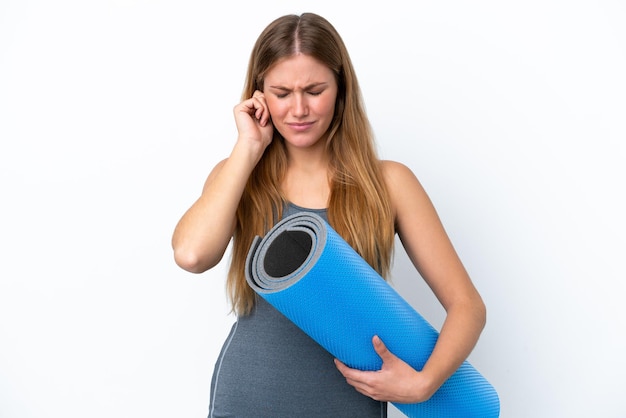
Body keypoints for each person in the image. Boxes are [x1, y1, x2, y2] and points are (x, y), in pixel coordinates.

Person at [172, 12, 486, 418]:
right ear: (258, 96)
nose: (298, 109)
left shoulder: (389, 183)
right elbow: (191, 255)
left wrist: (425, 382)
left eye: (314, 90)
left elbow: (468, 306)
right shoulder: (237, 175)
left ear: (340, 89)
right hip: (247, 395)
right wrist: (247, 148)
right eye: (281, 92)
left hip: (349, 402)